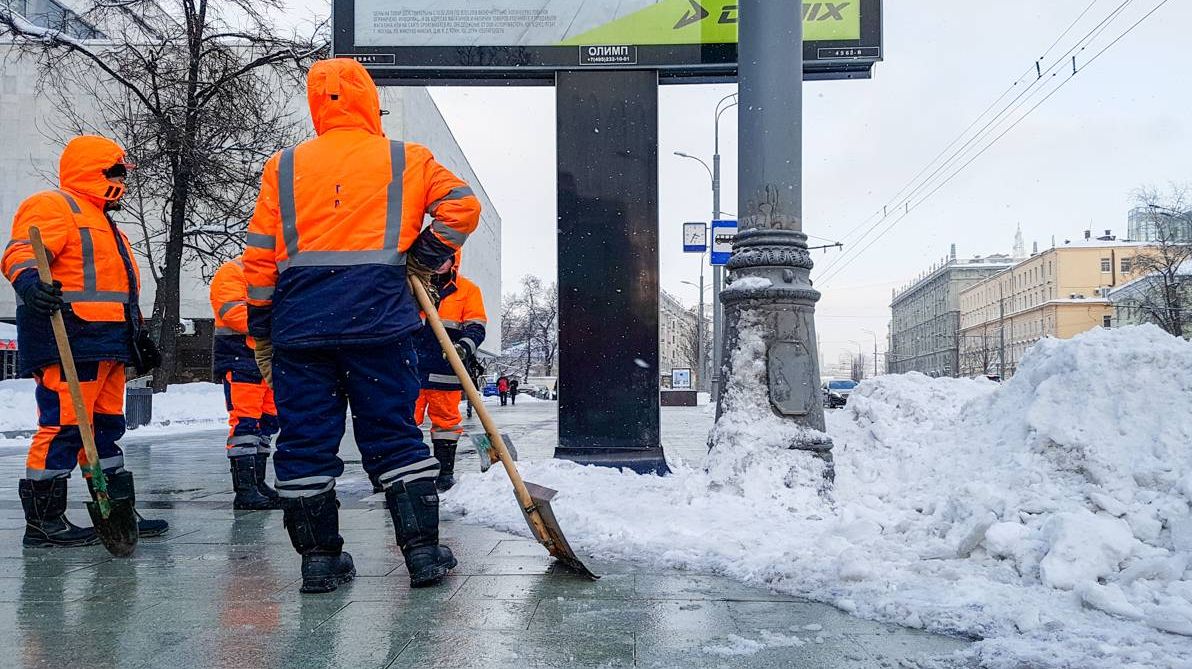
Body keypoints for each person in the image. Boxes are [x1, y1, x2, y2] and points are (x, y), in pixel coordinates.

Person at [243, 58, 480, 594]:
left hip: (301, 331)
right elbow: (461, 207)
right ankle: (422, 554)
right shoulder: (407, 159)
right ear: (370, 100)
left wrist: (262, 331)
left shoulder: (282, 167)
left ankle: (320, 562)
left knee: (304, 443)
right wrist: (425, 253)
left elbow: (257, 258)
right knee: (394, 437)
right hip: (380, 325)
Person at [2, 135, 168, 547]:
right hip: (70, 338)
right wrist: (28, 283)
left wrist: (137, 335)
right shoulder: (54, 205)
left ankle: (115, 510)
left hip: (108, 342)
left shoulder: (106, 223)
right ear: (93, 171)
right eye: (114, 172)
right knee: (64, 426)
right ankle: (44, 522)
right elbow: (21, 250)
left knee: (106, 428)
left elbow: (118, 289)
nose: (120, 182)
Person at [210, 256, 280, 510]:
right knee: (245, 425)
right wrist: (277, 325)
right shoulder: (233, 271)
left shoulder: (276, 272)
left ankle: (257, 485)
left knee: (266, 424)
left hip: (267, 360)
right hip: (242, 360)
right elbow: (231, 312)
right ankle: (246, 491)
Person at [413, 253, 486, 492]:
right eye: (434, 258)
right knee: (401, 420)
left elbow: (476, 326)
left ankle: (444, 472)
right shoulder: (412, 282)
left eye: (445, 258)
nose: (439, 263)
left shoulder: (467, 290)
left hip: (443, 368)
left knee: (446, 422)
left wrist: (463, 347)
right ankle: (405, 471)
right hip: (409, 367)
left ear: (454, 260)